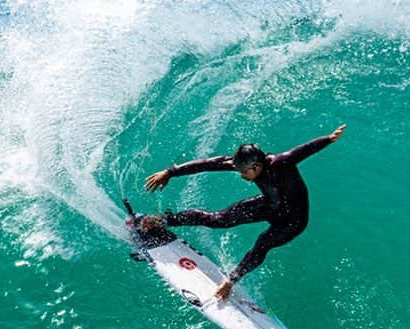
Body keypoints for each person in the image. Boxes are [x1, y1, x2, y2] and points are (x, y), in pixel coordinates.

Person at [139, 125, 345, 301]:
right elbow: (209, 164)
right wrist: (170, 172)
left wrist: (329, 138)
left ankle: (230, 281)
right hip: (269, 205)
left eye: (244, 172)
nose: (241, 175)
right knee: (218, 219)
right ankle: (163, 220)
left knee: (263, 243)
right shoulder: (244, 164)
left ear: (257, 165)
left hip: (293, 221)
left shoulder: (281, 163)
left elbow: (303, 151)